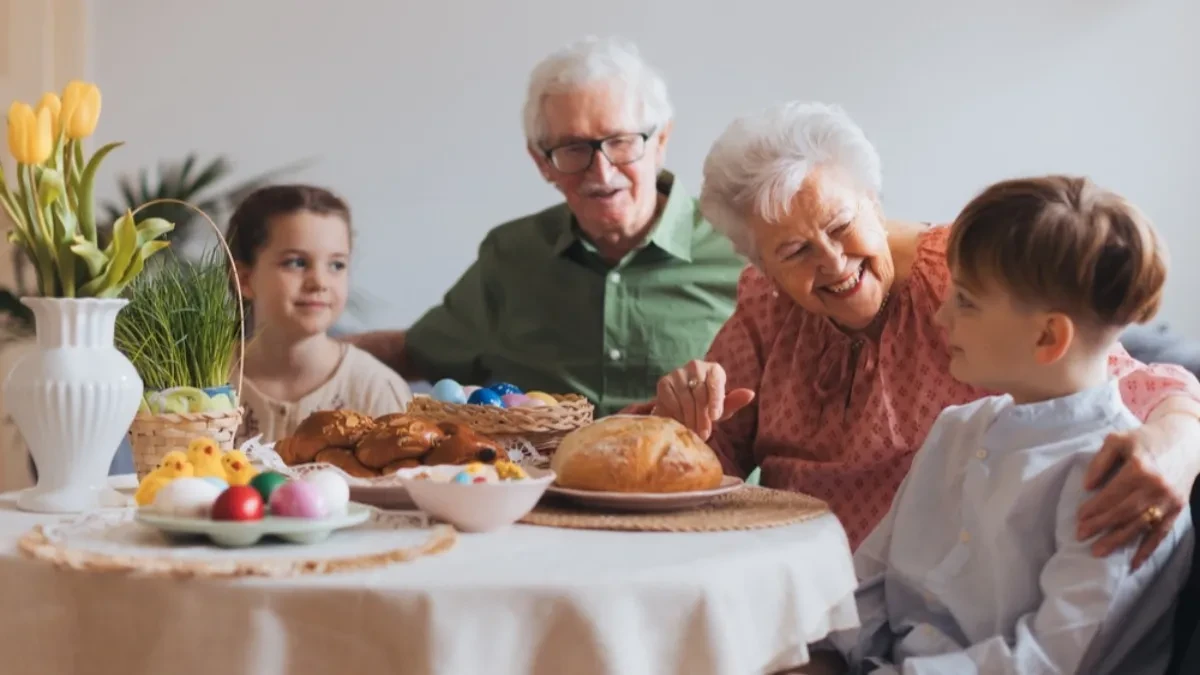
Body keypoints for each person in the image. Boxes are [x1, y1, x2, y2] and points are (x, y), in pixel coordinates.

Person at [630, 101, 1200, 561]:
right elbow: (711, 454)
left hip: (943, 603)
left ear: (873, 202)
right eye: (795, 251)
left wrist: (1180, 443)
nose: (830, 262)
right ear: (761, 265)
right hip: (792, 586)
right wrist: (684, 419)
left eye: (840, 225)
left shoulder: (974, 279)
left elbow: (1120, 380)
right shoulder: (767, 305)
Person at [798, 175, 1194, 674]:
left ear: (1049, 336)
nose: (941, 316)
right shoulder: (956, 430)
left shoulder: (1116, 481)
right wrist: (817, 655)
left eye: (965, 300)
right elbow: (869, 585)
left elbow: (1043, 662)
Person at [347, 36, 745, 416]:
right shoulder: (511, 255)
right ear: (542, 162)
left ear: (660, 141)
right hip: (544, 485)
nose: (602, 172)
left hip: (702, 483)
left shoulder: (742, 246)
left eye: (621, 141)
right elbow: (417, 351)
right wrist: (302, 355)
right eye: (574, 148)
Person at [226, 184, 412, 443]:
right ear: (244, 279)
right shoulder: (206, 385)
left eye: (337, 265)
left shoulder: (377, 390)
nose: (320, 282)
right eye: (297, 262)